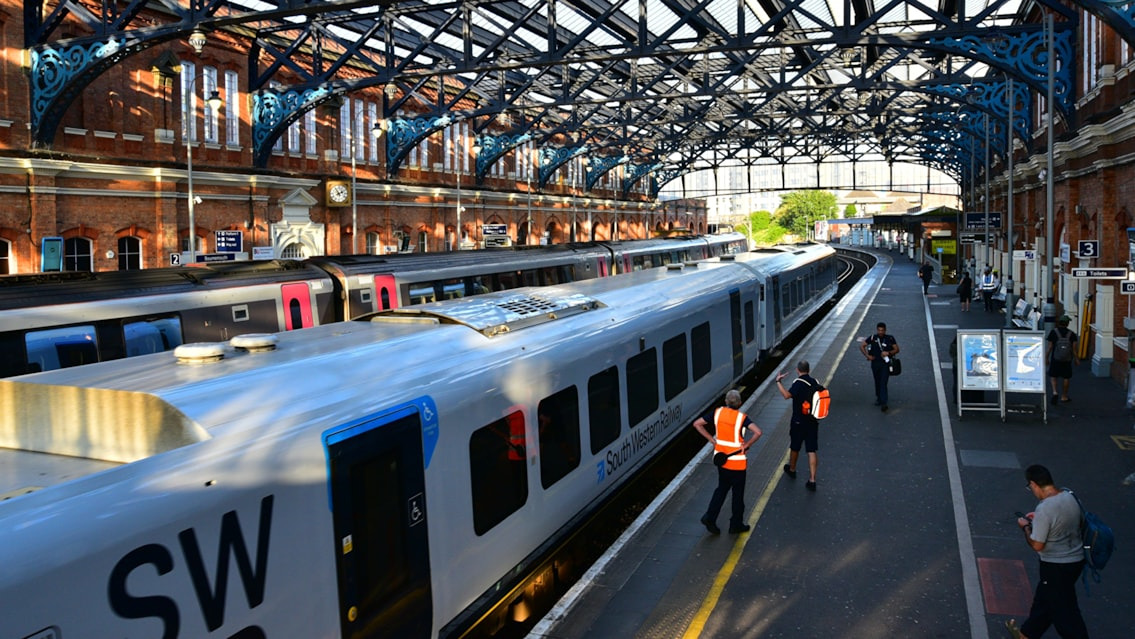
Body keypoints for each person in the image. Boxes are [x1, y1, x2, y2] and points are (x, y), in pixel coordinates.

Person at [1006, 465, 1090, 639]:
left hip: (1056, 565)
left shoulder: (1045, 508)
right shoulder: (1069, 496)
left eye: (1030, 487)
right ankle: (1026, 634)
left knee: (1064, 612)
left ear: (1034, 484)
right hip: (1076, 560)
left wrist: (1026, 527)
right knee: (1044, 601)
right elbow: (1074, 522)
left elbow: (1037, 545)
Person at [692, 389, 762, 534]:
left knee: (721, 489)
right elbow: (758, 432)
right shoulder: (742, 418)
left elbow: (697, 424)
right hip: (737, 463)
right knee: (737, 495)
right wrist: (747, 444)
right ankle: (735, 524)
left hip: (721, 461)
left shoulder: (717, 413)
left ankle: (710, 517)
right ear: (740, 403)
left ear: (726, 401)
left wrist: (712, 440)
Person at [775, 360, 821, 491]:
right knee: (811, 450)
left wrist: (778, 382)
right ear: (809, 369)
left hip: (798, 421)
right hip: (812, 421)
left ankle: (792, 469)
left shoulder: (798, 383)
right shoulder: (815, 382)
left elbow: (786, 395)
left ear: (797, 370)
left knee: (795, 447)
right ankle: (812, 479)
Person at [860, 322, 899, 412]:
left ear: (885, 330)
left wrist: (888, 353)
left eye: (882, 330)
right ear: (877, 330)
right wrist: (867, 356)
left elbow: (897, 349)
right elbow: (862, 345)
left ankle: (884, 402)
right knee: (877, 381)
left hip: (885, 364)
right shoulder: (873, 338)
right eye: (879, 330)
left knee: (883, 382)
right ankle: (879, 397)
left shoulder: (890, 338)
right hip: (875, 364)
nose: (880, 332)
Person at [1046, 315, 1079, 404]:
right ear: (1067, 324)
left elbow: (1050, 347)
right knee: (1066, 377)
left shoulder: (1053, 332)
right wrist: (1076, 359)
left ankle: (1054, 391)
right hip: (1067, 359)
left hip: (1055, 358)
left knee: (1053, 376)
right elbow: (1074, 349)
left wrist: (1046, 358)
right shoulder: (1072, 334)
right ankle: (1064, 396)